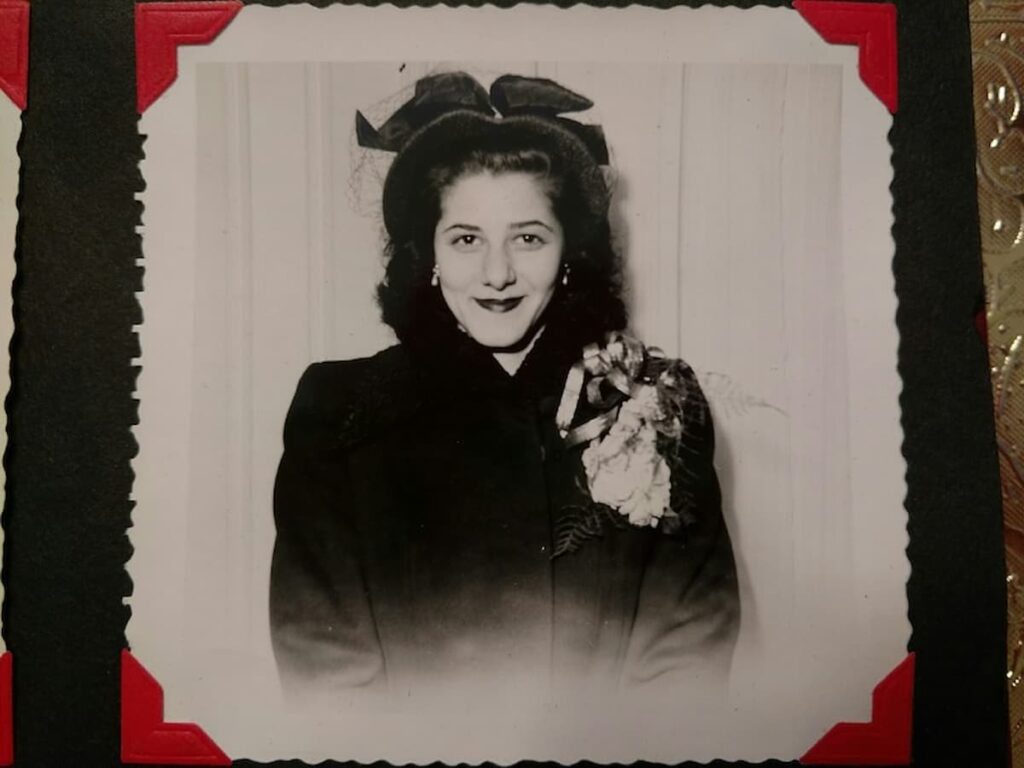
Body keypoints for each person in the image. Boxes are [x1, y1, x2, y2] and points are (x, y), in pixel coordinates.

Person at [269, 71, 739, 701]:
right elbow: (322, 664)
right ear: (427, 258)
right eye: (466, 239)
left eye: (528, 238)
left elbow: (690, 644)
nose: (497, 275)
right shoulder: (340, 410)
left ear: (569, 251)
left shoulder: (652, 399)